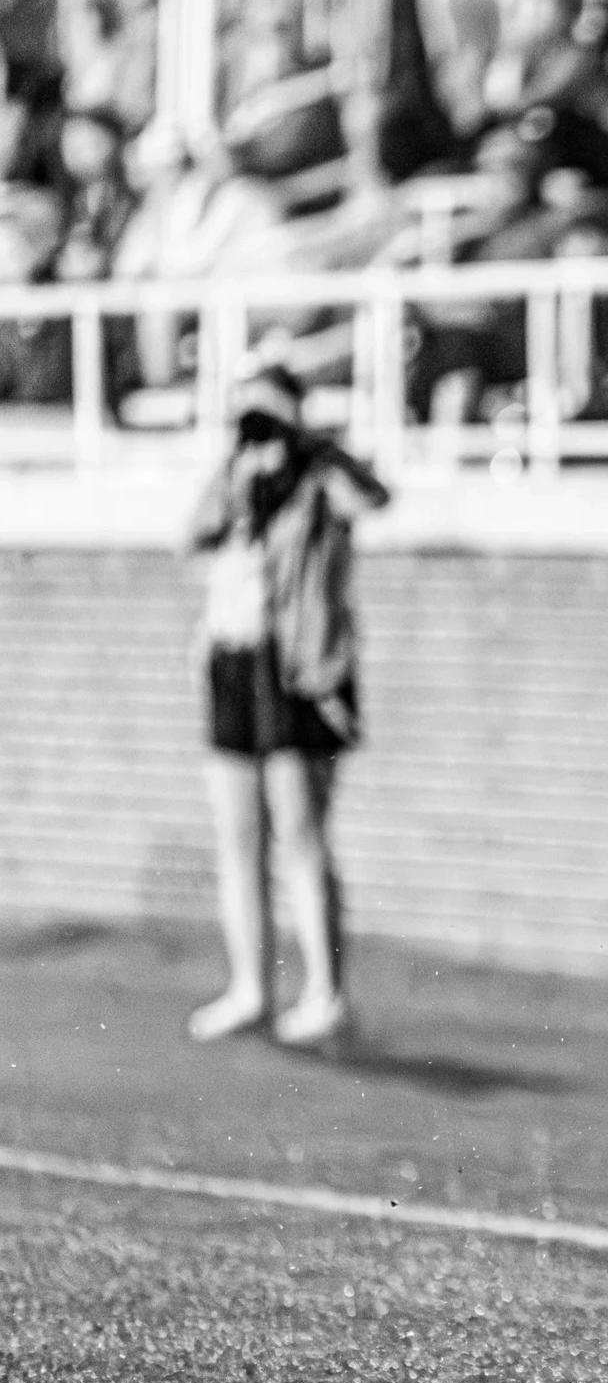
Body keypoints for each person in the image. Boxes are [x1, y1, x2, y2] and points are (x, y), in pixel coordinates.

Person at [185, 366, 390, 1048]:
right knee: (237, 833)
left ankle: (326, 994)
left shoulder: (319, 482)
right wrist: (238, 476)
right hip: (233, 660)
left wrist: (311, 449)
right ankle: (250, 986)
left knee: (301, 833)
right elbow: (192, 537)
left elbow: (373, 498)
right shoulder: (236, 480)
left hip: (298, 667)